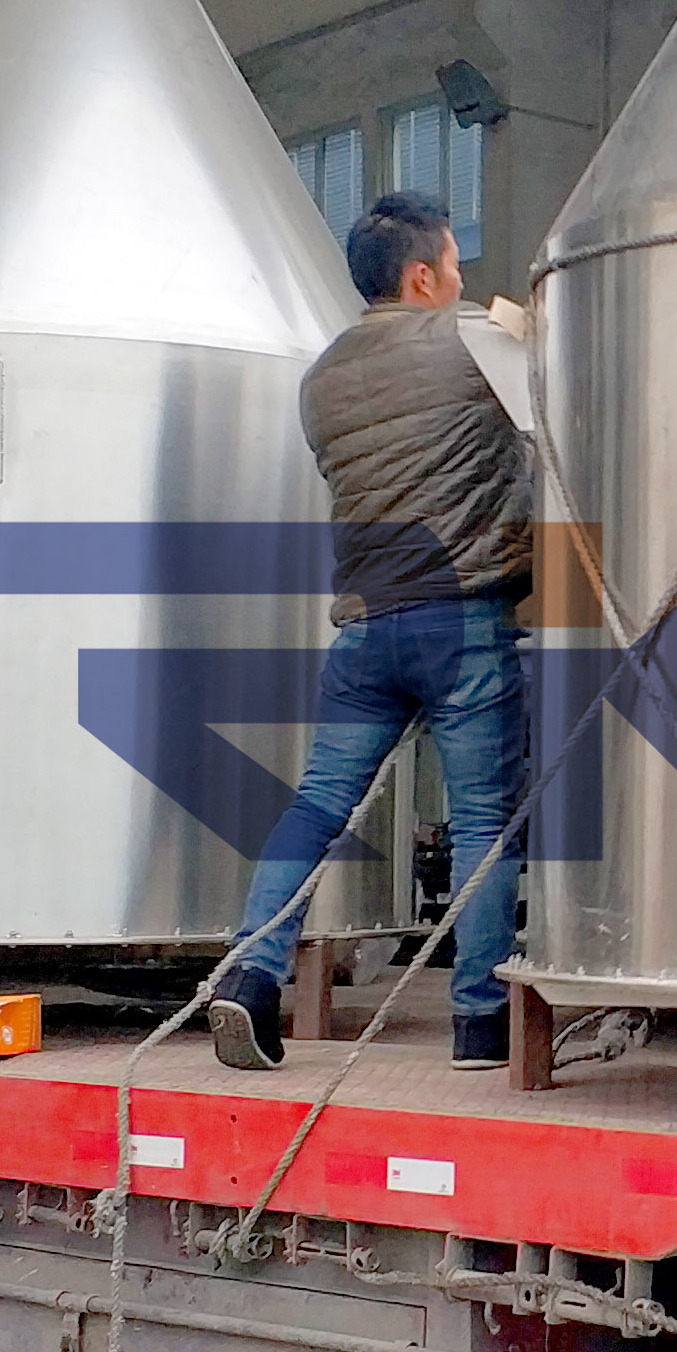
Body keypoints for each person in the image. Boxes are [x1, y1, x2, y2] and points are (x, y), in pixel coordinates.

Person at [208, 190, 531, 1071]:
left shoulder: (320, 380)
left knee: (316, 805)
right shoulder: (471, 339)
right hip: (460, 620)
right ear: (422, 276)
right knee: (482, 820)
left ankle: (251, 974)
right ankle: (478, 1021)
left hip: (365, 630)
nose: (461, 279)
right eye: (455, 264)